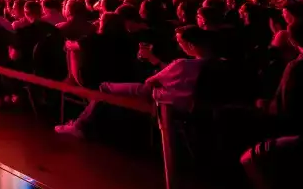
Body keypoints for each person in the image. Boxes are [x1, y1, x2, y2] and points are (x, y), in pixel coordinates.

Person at [57, 25, 217, 138]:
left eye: (180, 43)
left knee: (104, 87)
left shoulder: (182, 64)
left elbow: (150, 82)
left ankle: (79, 126)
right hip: (193, 106)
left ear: (189, 44)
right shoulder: (216, 63)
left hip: (163, 100)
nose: (180, 47)